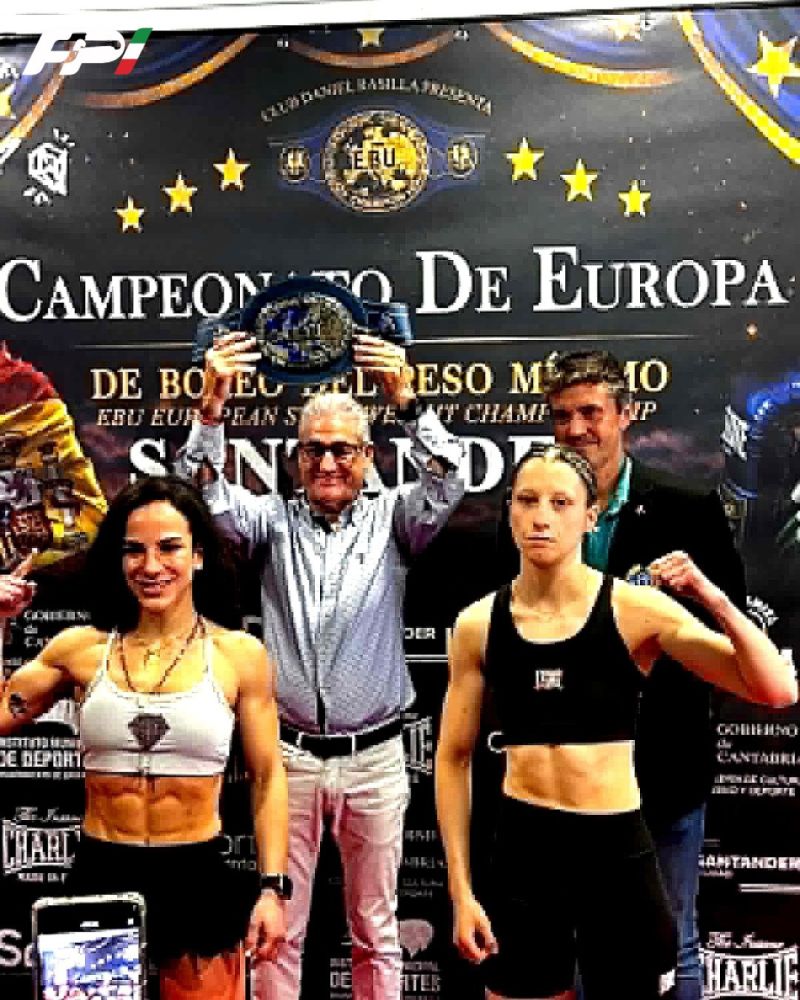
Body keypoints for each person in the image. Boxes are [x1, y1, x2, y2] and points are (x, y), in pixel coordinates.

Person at [436, 444, 796, 1000]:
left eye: (560, 503)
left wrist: (712, 597)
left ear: (590, 516)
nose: (541, 517)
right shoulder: (477, 625)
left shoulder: (635, 610)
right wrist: (461, 891)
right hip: (525, 852)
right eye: (528, 500)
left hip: (616, 852)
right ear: (510, 512)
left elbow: (776, 689)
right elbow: (453, 758)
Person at [174, 331, 466, 1000]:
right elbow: (198, 498)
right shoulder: (268, 522)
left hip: (376, 758)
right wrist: (211, 411)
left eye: (343, 449)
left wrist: (407, 401)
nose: (328, 461)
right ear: (295, 458)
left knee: (377, 931)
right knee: (279, 932)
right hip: (289, 758)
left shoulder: (396, 519)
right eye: (314, 449)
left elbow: (449, 478)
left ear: (368, 456)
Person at [0, 475, 289, 1000]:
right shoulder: (79, 650)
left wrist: (272, 888)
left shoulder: (239, 655)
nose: (151, 566)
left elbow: (268, 778)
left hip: (197, 875)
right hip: (101, 869)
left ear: (197, 556)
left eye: (169, 548)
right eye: (134, 550)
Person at [536, 349, 747, 1000]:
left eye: (591, 413)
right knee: (578, 940)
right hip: (567, 771)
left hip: (665, 764)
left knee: (672, 942)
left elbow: (732, 635)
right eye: (562, 416)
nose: (576, 429)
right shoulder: (537, 513)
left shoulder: (686, 508)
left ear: (625, 414)